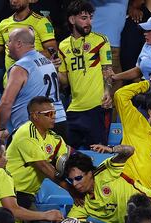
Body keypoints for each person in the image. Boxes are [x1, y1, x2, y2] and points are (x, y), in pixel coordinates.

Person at [64, 149, 151, 223]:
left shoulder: (105, 172)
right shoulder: (82, 204)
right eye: (71, 180)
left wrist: (112, 149)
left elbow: (129, 151)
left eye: (78, 178)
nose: (74, 184)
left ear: (90, 173)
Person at [58, 0, 113, 149]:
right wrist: (55, 69)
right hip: (74, 109)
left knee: (98, 155)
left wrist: (108, 91)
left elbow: (107, 70)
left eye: (90, 17)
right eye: (84, 18)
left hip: (97, 108)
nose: (89, 22)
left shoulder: (100, 40)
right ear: (72, 19)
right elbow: (64, 82)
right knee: (68, 156)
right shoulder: (63, 46)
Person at [6, 96, 76, 210]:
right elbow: (43, 166)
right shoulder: (25, 133)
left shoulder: (55, 139)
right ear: (35, 116)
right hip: (9, 190)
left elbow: (71, 161)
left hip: (26, 193)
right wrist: (71, 189)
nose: (54, 117)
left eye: (54, 113)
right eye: (48, 114)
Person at [0, 28, 66, 141]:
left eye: (9, 41)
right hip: (59, 122)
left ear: (18, 43)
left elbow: (6, 102)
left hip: (35, 127)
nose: (7, 45)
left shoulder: (21, 67)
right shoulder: (47, 62)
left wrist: (1, 128)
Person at [0, 0, 58, 82]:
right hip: (10, 83)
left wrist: (23, 56)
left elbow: (52, 50)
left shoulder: (41, 22)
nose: (14, 1)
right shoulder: (4, 24)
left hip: (34, 82)